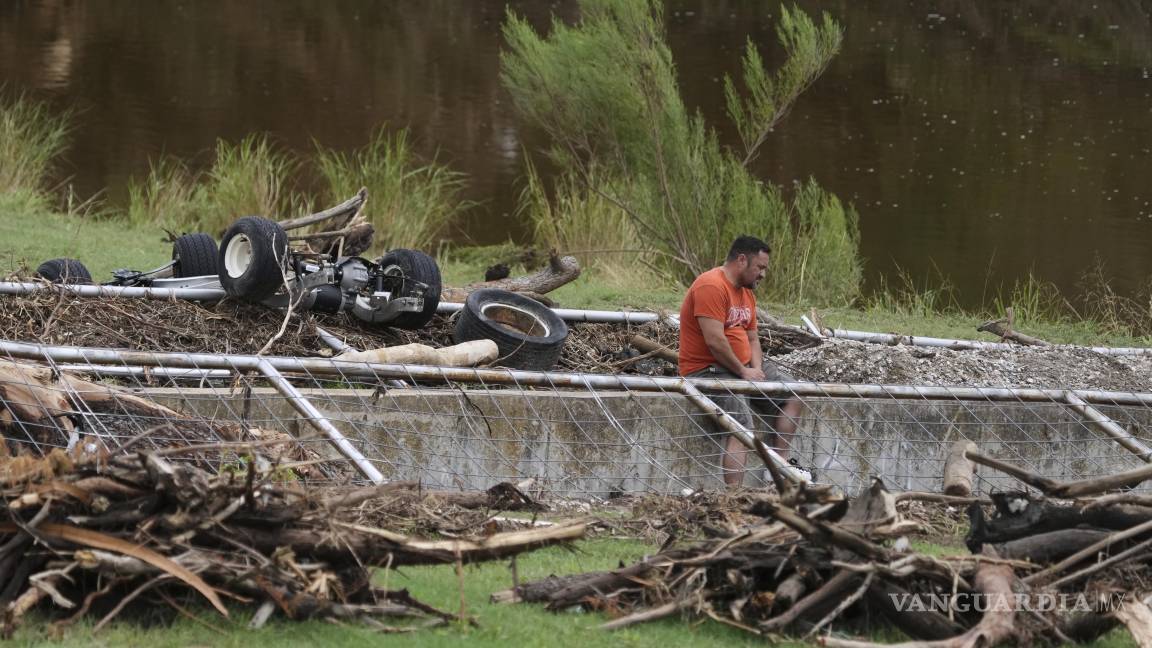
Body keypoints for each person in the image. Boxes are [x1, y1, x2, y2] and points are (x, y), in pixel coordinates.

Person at [678, 235, 805, 488]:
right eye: (760, 267)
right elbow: (714, 340)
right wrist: (742, 372)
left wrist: (755, 368)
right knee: (741, 425)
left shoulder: (746, 294)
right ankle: (734, 495)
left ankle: (778, 470)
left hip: (743, 368)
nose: (763, 274)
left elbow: (753, 338)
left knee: (794, 395)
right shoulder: (711, 286)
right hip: (708, 371)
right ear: (742, 260)